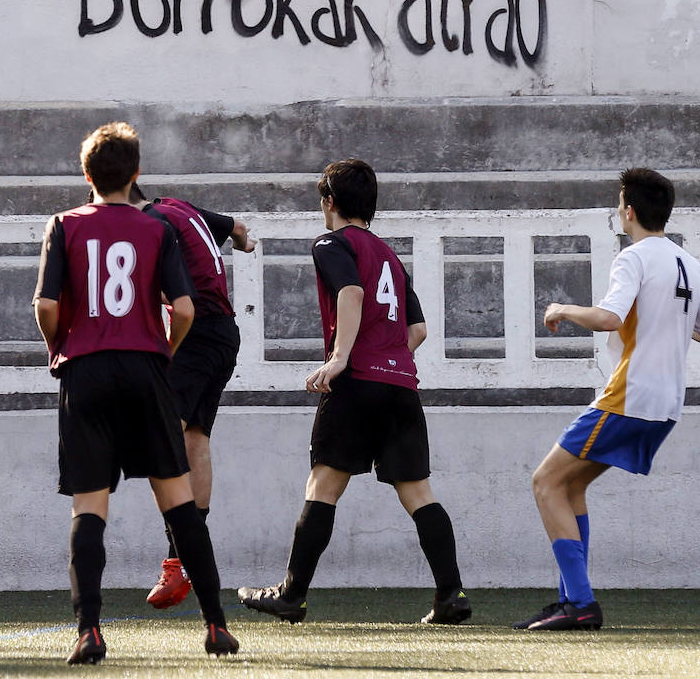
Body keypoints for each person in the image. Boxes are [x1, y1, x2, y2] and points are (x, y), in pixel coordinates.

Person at [32, 122, 239, 664]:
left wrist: (61, 347)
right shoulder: (156, 229)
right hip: (145, 369)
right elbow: (187, 308)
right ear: (137, 173)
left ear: (86, 174)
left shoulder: (64, 224)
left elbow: (47, 306)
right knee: (177, 503)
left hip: (87, 370)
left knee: (89, 506)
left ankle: (89, 633)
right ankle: (216, 625)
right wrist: (162, 350)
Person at [237, 158, 471, 626]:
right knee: (418, 491)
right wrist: (387, 356)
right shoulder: (389, 255)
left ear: (329, 201)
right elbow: (418, 329)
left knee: (323, 485)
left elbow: (351, 293)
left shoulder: (330, 243)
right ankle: (451, 595)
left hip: (357, 382)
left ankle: (291, 595)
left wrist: (342, 357)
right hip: (400, 385)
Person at [515, 167, 700, 631]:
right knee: (571, 487)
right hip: (667, 404)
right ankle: (571, 598)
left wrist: (560, 309)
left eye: (619, 205)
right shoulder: (687, 262)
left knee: (544, 482)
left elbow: (609, 318)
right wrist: (668, 321)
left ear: (628, 211)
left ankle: (581, 603)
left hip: (628, 396)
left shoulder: (632, 258)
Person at [128, 185, 255, 609]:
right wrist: (244, 241)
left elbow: (172, 298)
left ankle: (178, 559)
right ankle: (184, 559)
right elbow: (236, 227)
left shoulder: (151, 222)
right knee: (194, 441)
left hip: (197, 335)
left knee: (160, 441)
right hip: (223, 334)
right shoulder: (176, 207)